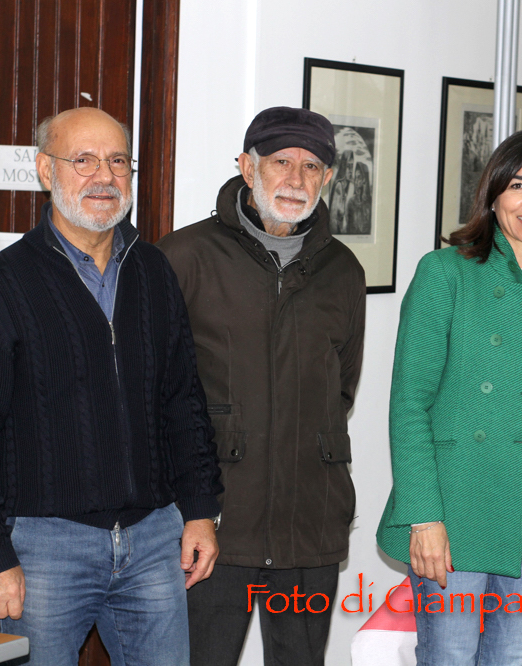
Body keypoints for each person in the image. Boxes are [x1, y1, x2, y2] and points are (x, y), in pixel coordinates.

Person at [0, 107, 222, 663]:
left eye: (118, 161)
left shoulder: (154, 270)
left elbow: (183, 401)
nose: (105, 176)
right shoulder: (5, 281)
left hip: (154, 539)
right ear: (46, 171)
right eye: (84, 160)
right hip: (44, 547)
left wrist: (200, 509)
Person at [156, 107, 366, 666]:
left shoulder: (344, 271)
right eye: (280, 163)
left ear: (327, 178)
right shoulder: (183, 257)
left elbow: (339, 391)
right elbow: (156, 393)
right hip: (214, 523)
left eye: (312, 167)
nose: (296, 179)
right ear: (248, 168)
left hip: (309, 528)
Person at [376, 130, 522, 665]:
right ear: (493, 195)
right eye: (518, 185)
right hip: (457, 502)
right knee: (449, 655)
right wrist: (424, 518)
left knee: (512, 657)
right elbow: (409, 403)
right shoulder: (446, 273)